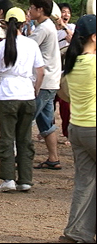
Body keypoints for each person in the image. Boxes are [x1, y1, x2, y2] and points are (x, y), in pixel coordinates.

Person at [0, 7, 45, 192]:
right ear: (24, 24)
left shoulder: (1, 46)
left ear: (5, 24)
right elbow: (40, 71)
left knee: (7, 139)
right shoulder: (31, 44)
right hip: (27, 95)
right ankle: (25, 179)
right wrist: (35, 90)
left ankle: (8, 178)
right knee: (25, 139)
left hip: (8, 96)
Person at [59, 14, 96, 244]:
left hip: (78, 128)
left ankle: (76, 233)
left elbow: (66, 94)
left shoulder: (72, 65)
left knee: (85, 182)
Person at [28, 0, 63, 170]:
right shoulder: (47, 26)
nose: (30, 11)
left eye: (32, 8)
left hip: (44, 82)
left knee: (26, 120)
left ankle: (22, 156)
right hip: (51, 81)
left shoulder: (42, 29)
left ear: (40, 10)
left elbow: (26, 47)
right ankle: (53, 158)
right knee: (46, 122)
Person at [55, 3, 75, 144]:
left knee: (65, 104)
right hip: (54, 69)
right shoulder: (50, 29)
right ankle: (47, 129)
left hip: (67, 70)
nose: (66, 14)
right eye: (63, 12)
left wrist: (65, 27)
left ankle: (67, 133)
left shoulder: (72, 28)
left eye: (68, 12)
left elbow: (75, 40)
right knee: (47, 104)